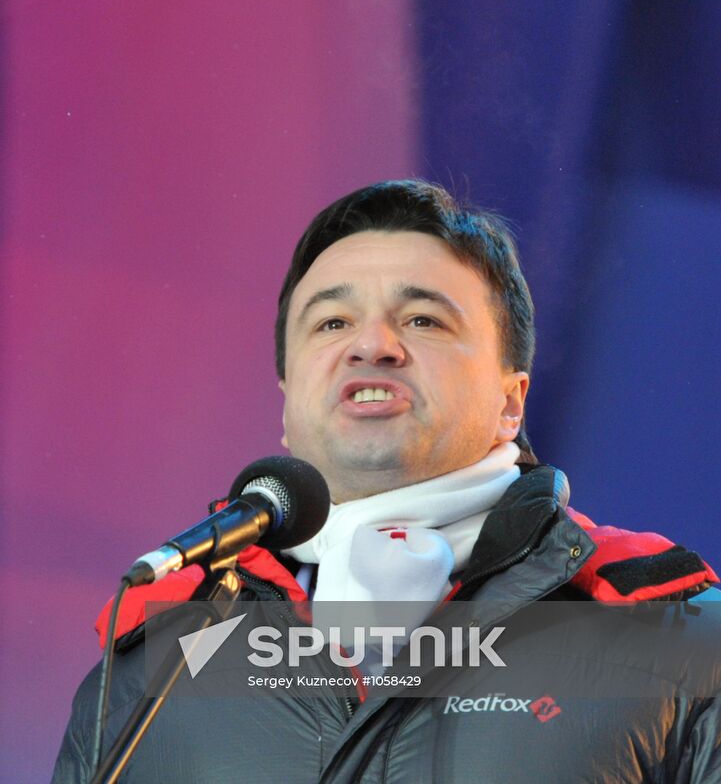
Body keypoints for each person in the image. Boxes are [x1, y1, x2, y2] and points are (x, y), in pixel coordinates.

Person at [53, 179, 721, 783]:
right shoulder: (158, 663)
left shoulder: (676, 634)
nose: (371, 345)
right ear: (287, 400)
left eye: (423, 320)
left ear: (510, 402)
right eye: (331, 322)